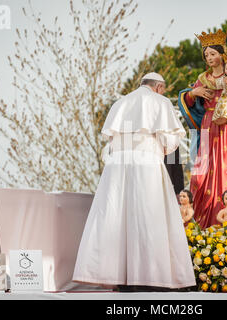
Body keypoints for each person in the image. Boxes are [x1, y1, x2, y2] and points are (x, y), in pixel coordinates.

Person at [72, 72, 196, 291]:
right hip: (146, 164)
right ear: (159, 87)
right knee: (148, 218)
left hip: (117, 168)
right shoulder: (161, 102)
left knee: (116, 220)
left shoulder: (121, 103)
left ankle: (122, 278)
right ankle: (150, 279)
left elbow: (110, 141)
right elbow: (170, 140)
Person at [178, 29, 227, 229]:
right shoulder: (202, 78)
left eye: (213, 53)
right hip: (207, 127)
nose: (209, 57)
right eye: (206, 55)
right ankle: (204, 225)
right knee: (201, 176)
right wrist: (193, 93)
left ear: (222, 54)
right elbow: (188, 101)